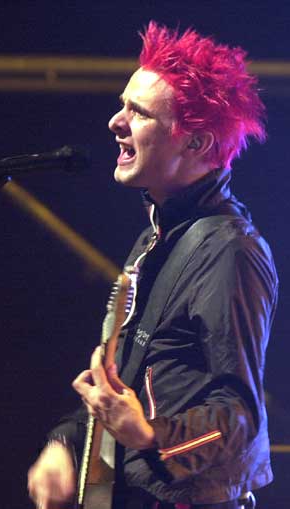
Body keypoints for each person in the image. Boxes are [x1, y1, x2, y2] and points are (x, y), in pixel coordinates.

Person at [27, 21, 278, 509]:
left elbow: (240, 416)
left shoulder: (231, 251)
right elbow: (128, 381)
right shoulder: (156, 238)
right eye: (123, 105)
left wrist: (149, 435)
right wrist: (66, 442)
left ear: (196, 144)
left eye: (138, 113)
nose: (115, 122)